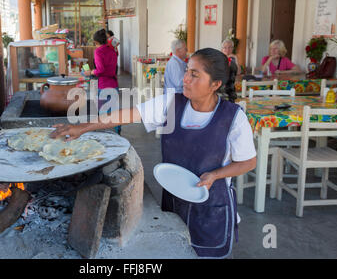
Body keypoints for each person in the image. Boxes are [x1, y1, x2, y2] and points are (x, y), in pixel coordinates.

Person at [51, 48, 257, 258]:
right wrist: (82, 127)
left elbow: (248, 162)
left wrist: (215, 175)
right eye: (186, 71)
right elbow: (128, 114)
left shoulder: (233, 118)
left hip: (212, 207)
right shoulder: (172, 103)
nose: (185, 79)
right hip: (175, 200)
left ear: (215, 84)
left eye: (194, 75)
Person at [84, 29, 120, 134]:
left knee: (104, 113)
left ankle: (107, 135)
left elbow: (100, 70)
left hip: (104, 85)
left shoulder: (98, 51)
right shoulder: (112, 50)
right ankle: (117, 133)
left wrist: (90, 72)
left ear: (96, 42)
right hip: (114, 84)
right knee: (114, 111)